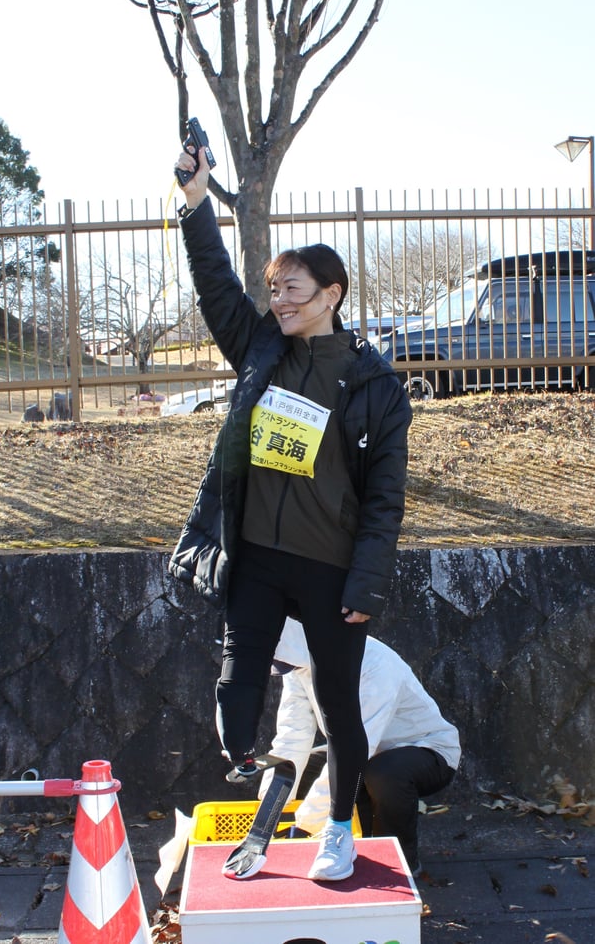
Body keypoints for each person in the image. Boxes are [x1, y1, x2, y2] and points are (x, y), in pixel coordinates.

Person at [170, 144, 413, 881]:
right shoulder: (260, 351)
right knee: (236, 679)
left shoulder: (376, 386)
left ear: (332, 294)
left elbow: (384, 500)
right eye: (274, 288)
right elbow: (216, 286)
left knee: (338, 705)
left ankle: (338, 828)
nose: (279, 301)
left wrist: (365, 586)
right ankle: (245, 757)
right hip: (256, 553)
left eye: (294, 290)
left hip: (332, 568)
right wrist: (194, 201)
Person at [263, 618, 461, 876]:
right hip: (367, 753)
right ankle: (353, 841)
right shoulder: (296, 664)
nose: (286, 668)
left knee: (382, 774)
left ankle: (398, 862)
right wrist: (268, 809)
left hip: (428, 751)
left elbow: (360, 745)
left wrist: (305, 822)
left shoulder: (375, 664)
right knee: (307, 766)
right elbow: (293, 734)